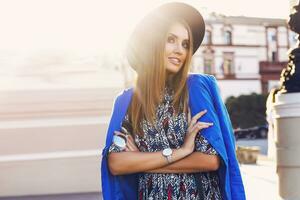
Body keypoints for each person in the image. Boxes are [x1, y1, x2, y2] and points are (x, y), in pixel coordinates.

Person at [101, 2, 245, 200]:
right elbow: (116, 164)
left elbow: (211, 160)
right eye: (171, 40)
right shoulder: (128, 102)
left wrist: (143, 163)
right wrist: (183, 151)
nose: (180, 50)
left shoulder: (195, 88)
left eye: (185, 44)